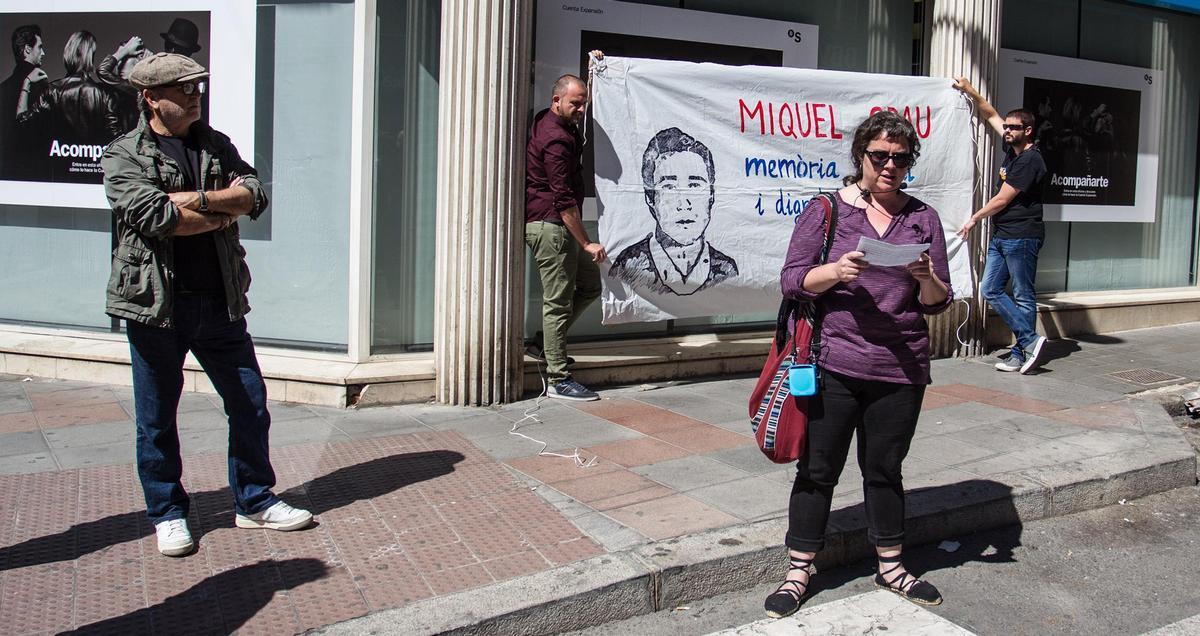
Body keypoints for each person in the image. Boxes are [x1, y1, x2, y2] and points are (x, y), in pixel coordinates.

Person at [101, 52, 312, 557]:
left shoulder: (214, 144)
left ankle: (254, 500)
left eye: (198, 87)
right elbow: (155, 217)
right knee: (157, 418)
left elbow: (254, 195)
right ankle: (168, 513)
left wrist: (197, 202)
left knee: (249, 403)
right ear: (151, 98)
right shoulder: (123, 154)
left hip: (220, 301)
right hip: (156, 307)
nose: (196, 96)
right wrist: (220, 204)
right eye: (183, 89)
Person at [766, 110, 952, 618]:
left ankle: (890, 565)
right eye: (880, 156)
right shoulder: (828, 210)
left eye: (900, 157)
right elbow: (792, 280)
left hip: (901, 367)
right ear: (860, 156)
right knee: (818, 469)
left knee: (885, 470)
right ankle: (799, 568)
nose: (890, 166)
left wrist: (925, 276)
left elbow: (937, 302)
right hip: (836, 363)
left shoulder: (922, 217)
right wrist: (836, 270)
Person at [953, 77, 1049, 374]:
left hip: (1022, 236)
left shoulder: (1030, 161)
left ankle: (1022, 353)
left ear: (1028, 131)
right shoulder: (1013, 150)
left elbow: (1002, 200)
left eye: (1013, 128)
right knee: (990, 288)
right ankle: (1030, 341)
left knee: (1022, 294)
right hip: (1003, 235)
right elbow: (990, 113)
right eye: (1006, 127)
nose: (1006, 131)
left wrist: (974, 218)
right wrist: (969, 90)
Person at [524, 60, 606, 402]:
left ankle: (543, 345)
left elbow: (571, 88)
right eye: (576, 103)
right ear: (556, 100)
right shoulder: (556, 140)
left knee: (589, 285)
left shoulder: (548, 115)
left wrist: (593, 71)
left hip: (557, 225)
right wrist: (586, 243)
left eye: (583, 101)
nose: (582, 108)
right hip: (551, 226)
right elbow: (564, 201)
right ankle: (558, 377)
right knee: (557, 301)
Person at [609, 127, 739, 296]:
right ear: (650, 197)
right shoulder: (627, 267)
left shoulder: (727, 270)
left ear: (711, 195)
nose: (684, 204)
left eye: (694, 186)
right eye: (669, 187)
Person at [18, 31, 124, 146]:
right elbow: (116, 142)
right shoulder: (105, 94)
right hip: (93, 162)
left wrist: (26, 83)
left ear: (68, 53)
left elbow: (22, 123)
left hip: (60, 162)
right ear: (91, 57)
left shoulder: (52, 91)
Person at [0, 24, 47, 178]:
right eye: (40, 47)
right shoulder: (40, 85)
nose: (43, 53)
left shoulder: (3, 88)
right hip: (34, 170)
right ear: (27, 49)